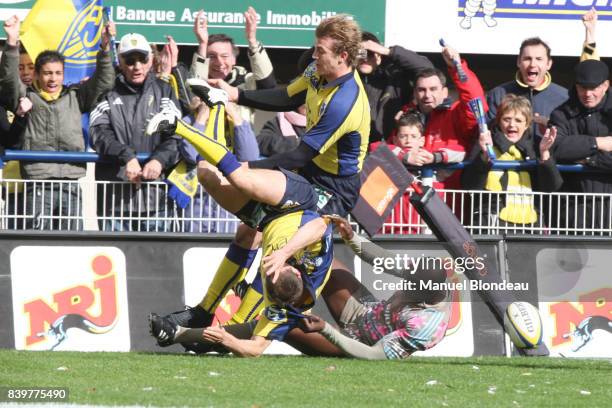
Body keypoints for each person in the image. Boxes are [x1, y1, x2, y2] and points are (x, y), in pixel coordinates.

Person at [158, 14, 370, 331]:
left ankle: (238, 329)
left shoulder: (346, 102)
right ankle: (204, 311)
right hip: (310, 173)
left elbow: (299, 153)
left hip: (333, 192)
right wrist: (234, 94)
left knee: (275, 243)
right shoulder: (318, 72)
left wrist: (248, 168)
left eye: (320, 50)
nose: (313, 56)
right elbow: (286, 96)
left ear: (342, 56)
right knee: (247, 228)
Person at [153, 215, 450, 360]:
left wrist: (325, 330)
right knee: (326, 263)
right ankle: (282, 293)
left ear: (424, 295)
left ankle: (185, 335)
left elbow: (372, 356)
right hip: (365, 311)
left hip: (352, 342)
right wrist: (351, 237)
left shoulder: (427, 326)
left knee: (283, 324)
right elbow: (382, 259)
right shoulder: (426, 274)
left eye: (409, 285)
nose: (403, 282)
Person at [0, 16, 115, 230]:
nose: (53, 79)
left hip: (70, 183)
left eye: (58, 73)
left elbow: (104, 82)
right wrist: (12, 41)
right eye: (47, 73)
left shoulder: (76, 96)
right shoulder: (27, 97)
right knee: (37, 242)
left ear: (64, 74)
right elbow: (8, 81)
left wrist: (105, 48)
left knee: (71, 242)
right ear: (36, 74)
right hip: (38, 184)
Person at [90, 33, 181, 232]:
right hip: (114, 200)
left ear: (151, 60)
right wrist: (127, 156)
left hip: (156, 199)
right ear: (120, 62)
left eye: (142, 59)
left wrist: (159, 160)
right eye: (130, 61)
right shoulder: (107, 91)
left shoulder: (164, 91)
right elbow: (98, 134)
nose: (137, 66)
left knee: (158, 261)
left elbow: (176, 135)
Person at [461, 95, 562, 233]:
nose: (512, 125)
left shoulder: (537, 146)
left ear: (527, 124)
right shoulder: (486, 142)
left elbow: (551, 186)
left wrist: (544, 154)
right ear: (498, 121)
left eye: (518, 120)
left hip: (530, 226)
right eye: (506, 119)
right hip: (491, 223)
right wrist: (484, 156)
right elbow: (470, 184)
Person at [397, 45, 486, 191]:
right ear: (415, 93)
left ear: (445, 92)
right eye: (421, 90)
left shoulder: (455, 114)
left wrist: (457, 67)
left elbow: (475, 102)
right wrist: (404, 156)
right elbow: (386, 149)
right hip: (407, 204)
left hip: (446, 202)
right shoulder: (406, 118)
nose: (427, 95)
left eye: (433, 89)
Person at [549, 59, 612, 231]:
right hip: (573, 211)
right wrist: (599, 143)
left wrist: (587, 159)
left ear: (605, 85)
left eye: (594, 88)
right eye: (582, 87)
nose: (588, 93)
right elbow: (557, 148)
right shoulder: (561, 113)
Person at [190, 7, 276, 125]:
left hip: (239, 141)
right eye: (212, 56)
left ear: (234, 59)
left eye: (224, 56)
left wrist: (252, 41)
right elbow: (195, 88)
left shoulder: (246, 81)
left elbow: (268, 88)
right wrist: (203, 44)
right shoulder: (199, 78)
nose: (219, 62)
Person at [357, 31, 433, 145]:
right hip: (357, 149)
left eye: (370, 53)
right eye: (360, 54)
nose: (364, 58)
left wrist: (388, 52)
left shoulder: (394, 78)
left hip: (392, 147)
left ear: (378, 55)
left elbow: (427, 68)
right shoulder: (347, 80)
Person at [370, 113, 425, 234]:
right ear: (395, 139)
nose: (408, 141)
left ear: (422, 140)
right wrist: (404, 156)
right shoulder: (389, 155)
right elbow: (374, 147)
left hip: (416, 231)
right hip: (386, 230)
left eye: (413, 136)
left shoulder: (427, 159)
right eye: (403, 136)